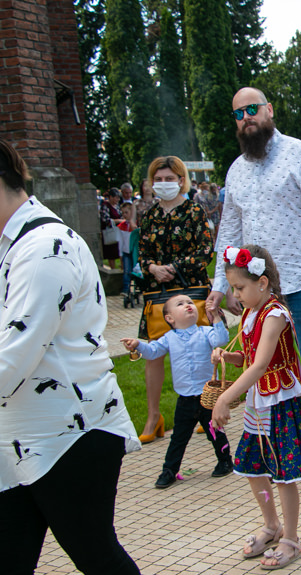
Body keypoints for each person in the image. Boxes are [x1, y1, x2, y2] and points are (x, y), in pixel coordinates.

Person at [0, 138, 141, 574]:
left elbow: (12, 356)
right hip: (20, 437)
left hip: (70, 436)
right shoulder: (14, 244)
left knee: (96, 556)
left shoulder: (44, 248)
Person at [208, 87, 301, 478]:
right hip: (258, 288)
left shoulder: (298, 153)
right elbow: (230, 228)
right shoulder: (236, 169)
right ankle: (283, 443)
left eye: (252, 109)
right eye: (239, 113)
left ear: (269, 110)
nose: (246, 118)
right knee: (265, 364)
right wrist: (220, 286)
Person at [210, 245, 301, 570]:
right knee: (254, 468)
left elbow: (261, 365)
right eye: (233, 288)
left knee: (283, 473)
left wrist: (223, 397)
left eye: (239, 288)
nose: (236, 294)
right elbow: (250, 359)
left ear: (262, 283)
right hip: (259, 403)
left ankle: (291, 537)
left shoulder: (274, 314)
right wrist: (229, 357)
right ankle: (271, 524)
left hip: (280, 402)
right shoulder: (250, 313)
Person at [137, 156, 214, 443]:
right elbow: (142, 253)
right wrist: (153, 268)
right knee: (154, 353)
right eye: (159, 179)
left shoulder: (194, 211)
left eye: (170, 179)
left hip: (191, 290)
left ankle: (205, 409)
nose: (164, 184)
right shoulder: (149, 215)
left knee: (201, 350)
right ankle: (153, 416)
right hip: (157, 296)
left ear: (181, 180)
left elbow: (206, 250)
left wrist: (176, 267)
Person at [121, 295, 232, 489]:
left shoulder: (205, 332)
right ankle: (169, 470)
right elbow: (153, 351)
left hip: (207, 396)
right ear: (170, 319)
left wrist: (214, 316)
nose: (188, 305)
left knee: (215, 431)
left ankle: (225, 460)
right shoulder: (168, 338)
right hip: (185, 399)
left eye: (190, 302)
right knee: (178, 438)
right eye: (180, 304)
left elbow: (221, 338)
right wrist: (138, 345)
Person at [100, 187, 123, 269]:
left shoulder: (117, 206)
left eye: (118, 197)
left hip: (118, 231)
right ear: (111, 197)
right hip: (110, 232)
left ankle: (122, 268)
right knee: (111, 254)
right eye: (116, 197)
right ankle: (113, 269)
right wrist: (119, 221)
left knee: (120, 251)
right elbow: (105, 220)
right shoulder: (105, 206)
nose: (117, 199)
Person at [118, 202, 135, 307]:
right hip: (126, 252)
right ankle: (125, 289)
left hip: (135, 251)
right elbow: (120, 242)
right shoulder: (121, 226)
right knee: (126, 271)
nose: (124, 215)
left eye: (126, 212)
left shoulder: (136, 225)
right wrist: (120, 256)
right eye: (123, 213)